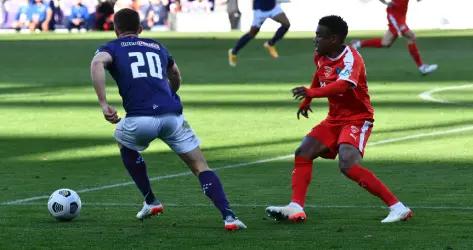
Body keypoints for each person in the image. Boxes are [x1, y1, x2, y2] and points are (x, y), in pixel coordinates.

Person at [90, 8, 246, 231]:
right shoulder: (157, 46)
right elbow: (175, 75)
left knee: (123, 141)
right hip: (172, 117)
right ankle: (229, 217)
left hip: (140, 119)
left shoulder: (112, 47)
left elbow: (97, 64)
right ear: (141, 29)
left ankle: (151, 200)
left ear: (116, 30)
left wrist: (104, 104)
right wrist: (170, 94)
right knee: (200, 165)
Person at [265, 15, 413, 224]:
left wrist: (312, 93)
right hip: (334, 119)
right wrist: (308, 98)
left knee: (347, 163)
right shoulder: (320, 54)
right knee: (303, 152)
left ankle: (398, 208)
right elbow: (320, 72)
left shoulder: (352, 58)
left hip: (357, 118)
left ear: (333, 39)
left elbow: (344, 85)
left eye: (319, 35)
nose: (315, 39)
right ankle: (296, 207)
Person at [351, 0, 437, 75]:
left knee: (386, 43)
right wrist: (385, 2)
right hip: (395, 15)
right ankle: (422, 67)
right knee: (411, 37)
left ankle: (358, 44)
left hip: (400, 15)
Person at [228, 0, 290, 67]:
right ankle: (233, 52)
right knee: (252, 34)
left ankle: (270, 44)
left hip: (273, 7)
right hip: (260, 11)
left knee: (286, 24)